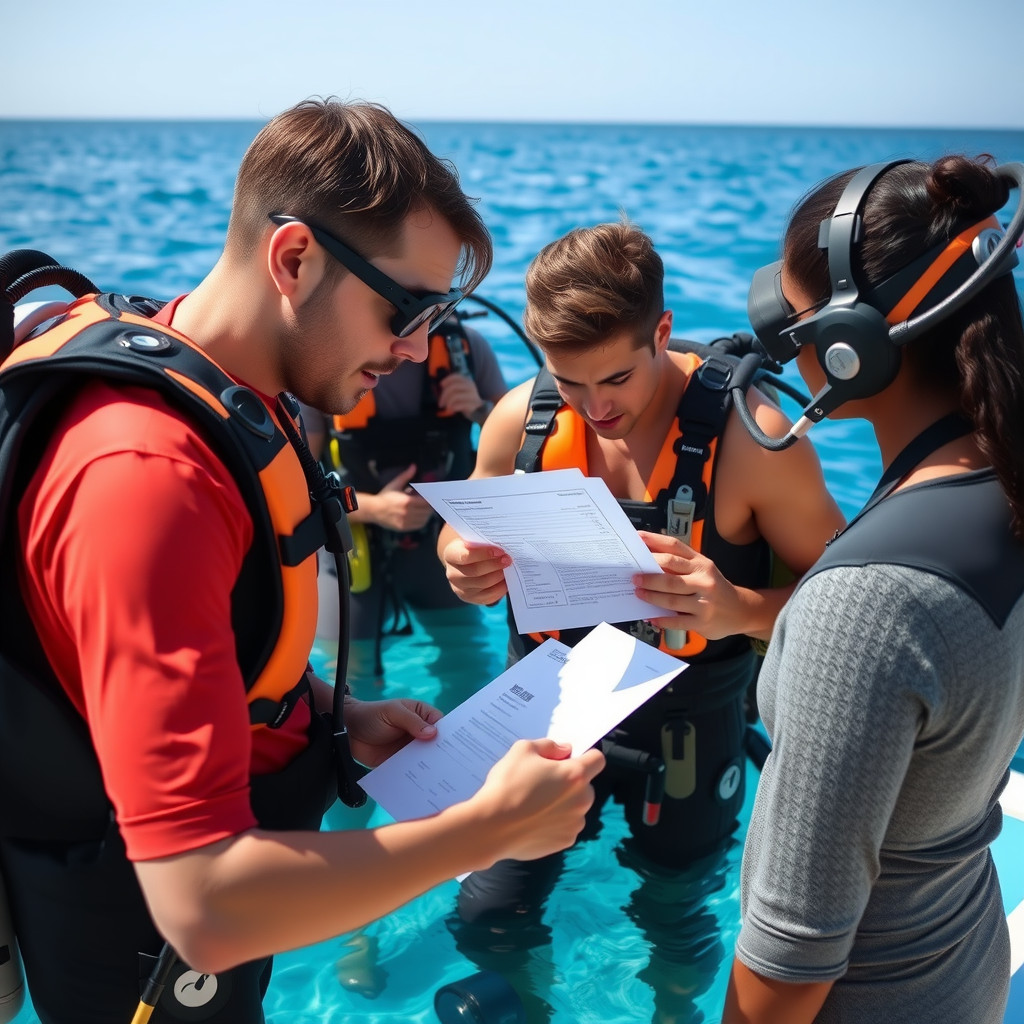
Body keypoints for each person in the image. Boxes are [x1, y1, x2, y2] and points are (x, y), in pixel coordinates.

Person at [0, 99, 603, 1024]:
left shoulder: (235, 383)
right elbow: (202, 905)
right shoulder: (146, 480)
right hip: (143, 959)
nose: (412, 346)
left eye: (435, 315)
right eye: (404, 309)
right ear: (293, 260)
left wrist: (336, 714)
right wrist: (487, 829)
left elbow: (214, 644)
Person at [438, 221, 844, 1019]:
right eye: (570, 382)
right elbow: (463, 535)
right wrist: (461, 565)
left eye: (616, 378)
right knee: (487, 919)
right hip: (554, 717)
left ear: (661, 330)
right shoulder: (520, 420)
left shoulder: (755, 442)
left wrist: (741, 607)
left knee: (674, 920)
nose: (595, 408)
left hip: (689, 732)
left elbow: (845, 604)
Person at [723, 155, 1024, 1024]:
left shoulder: (868, 603)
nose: (780, 334)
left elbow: (788, 961)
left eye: (791, 313)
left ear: (850, 343)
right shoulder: (997, 482)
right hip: (963, 968)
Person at [304, 312, 507, 680]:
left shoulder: (467, 349)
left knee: (467, 665)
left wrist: (481, 410)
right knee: (350, 677)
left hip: (440, 548)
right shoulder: (326, 361)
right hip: (354, 548)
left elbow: (524, 455)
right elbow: (292, 489)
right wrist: (375, 509)